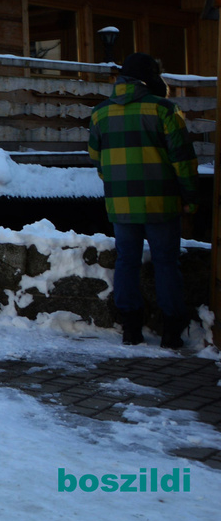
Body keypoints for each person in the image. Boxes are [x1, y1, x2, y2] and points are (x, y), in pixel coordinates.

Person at [87, 52, 197, 349]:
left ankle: (131, 329)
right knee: (165, 263)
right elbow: (183, 160)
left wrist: (118, 188)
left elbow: (98, 161)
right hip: (162, 202)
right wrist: (190, 197)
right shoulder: (164, 109)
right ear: (150, 78)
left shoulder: (100, 113)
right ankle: (172, 331)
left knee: (126, 262)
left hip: (121, 204)